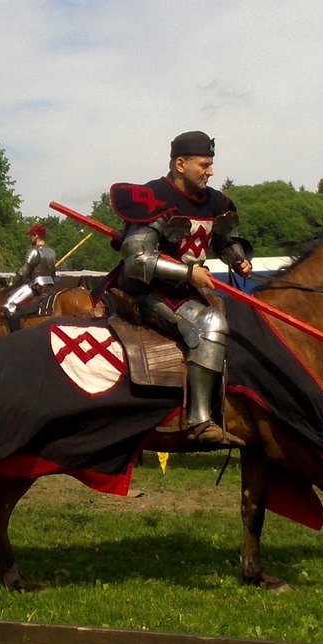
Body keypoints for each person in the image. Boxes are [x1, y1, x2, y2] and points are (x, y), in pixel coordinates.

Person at [108, 130, 253, 445]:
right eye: (203, 164)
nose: (210, 171)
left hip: (189, 289)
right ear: (180, 164)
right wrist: (189, 274)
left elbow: (223, 239)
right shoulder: (152, 198)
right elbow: (137, 259)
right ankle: (199, 421)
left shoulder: (215, 201)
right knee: (211, 324)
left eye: (211, 164)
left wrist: (237, 259)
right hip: (148, 289)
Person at [1, 223, 57, 332]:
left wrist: (12, 282)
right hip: (50, 285)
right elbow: (54, 274)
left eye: (31, 235)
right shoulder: (52, 252)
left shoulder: (34, 251)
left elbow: (23, 270)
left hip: (35, 286)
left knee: (8, 305)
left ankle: (15, 336)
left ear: (36, 236)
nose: (30, 237)